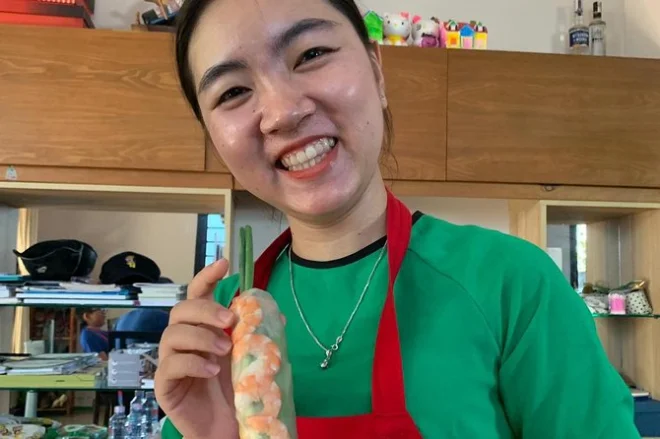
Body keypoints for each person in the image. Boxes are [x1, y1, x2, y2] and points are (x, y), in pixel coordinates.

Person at [155, 0, 641, 437]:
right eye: (233, 92)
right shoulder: (217, 325)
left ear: (376, 71)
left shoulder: (511, 284)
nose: (282, 112)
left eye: (310, 54)